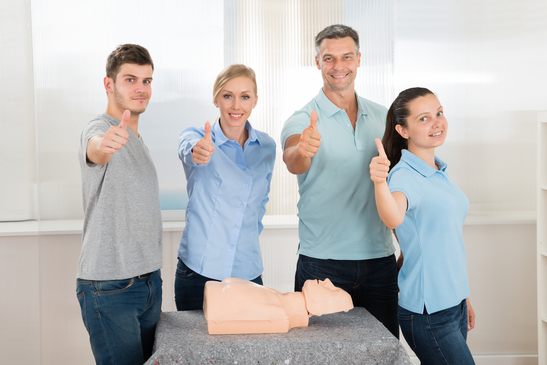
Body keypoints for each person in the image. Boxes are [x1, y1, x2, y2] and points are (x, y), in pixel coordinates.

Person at [280, 24, 399, 338]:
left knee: (384, 354)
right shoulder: (303, 119)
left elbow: (398, 185)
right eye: (329, 58)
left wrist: (407, 249)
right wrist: (301, 149)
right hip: (322, 265)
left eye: (346, 57)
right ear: (317, 62)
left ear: (359, 59)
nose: (338, 66)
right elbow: (293, 159)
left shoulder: (384, 117)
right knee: (320, 356)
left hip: (379, 261)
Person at [369, 87, 476, 364]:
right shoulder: (404, 176)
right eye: (424, 118)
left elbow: (445, 243)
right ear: (403, 131)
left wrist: (462, 298)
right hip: (429, 314)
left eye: (439, 113)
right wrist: (380, 181)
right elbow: (393, 217)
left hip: (452, 304)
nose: (437, 122)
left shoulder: (437, 171)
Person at [76, 44, 162, 365]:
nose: (141, 88)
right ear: (109, 84)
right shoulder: (100, 129)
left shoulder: (138, 141)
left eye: (147, 80)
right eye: (130, 79)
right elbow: (96, 147)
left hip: (148, 282)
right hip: (110, 287)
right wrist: (103, 146)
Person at [175, 64, 276, 311]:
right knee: (194, 349)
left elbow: (260, 203)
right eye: (228, 96)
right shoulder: (196, 136)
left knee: (247, 349)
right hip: (199, 272)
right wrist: (197, 151)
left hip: (247, 271)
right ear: (216, 98)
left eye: (245, 97)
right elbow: (189, 150)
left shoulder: (267, 146)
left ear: (255, 101)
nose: (236, 105)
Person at [203, 277, 353, 334]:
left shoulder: (279, 314)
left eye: (334, 291)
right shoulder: (277, 296)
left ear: (320, 309)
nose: (328, 281)